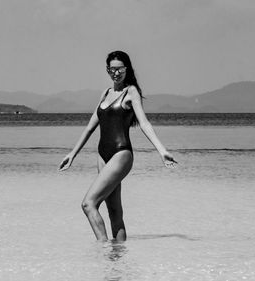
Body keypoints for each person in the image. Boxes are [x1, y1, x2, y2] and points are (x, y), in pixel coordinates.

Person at [58, 50, 177, 242]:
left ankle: (104, 251)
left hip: (121, 154)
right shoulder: (105, 93)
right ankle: (118, 261)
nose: (116, 73)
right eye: (112, 69)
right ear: (107, 70)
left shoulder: (131, 92)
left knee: (88, 204)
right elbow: (90, 127)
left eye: (119, 69)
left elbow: (144, 123)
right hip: (102, 155)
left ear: (126, 69)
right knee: (114, 211)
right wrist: (72, 154)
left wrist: (162, 151)